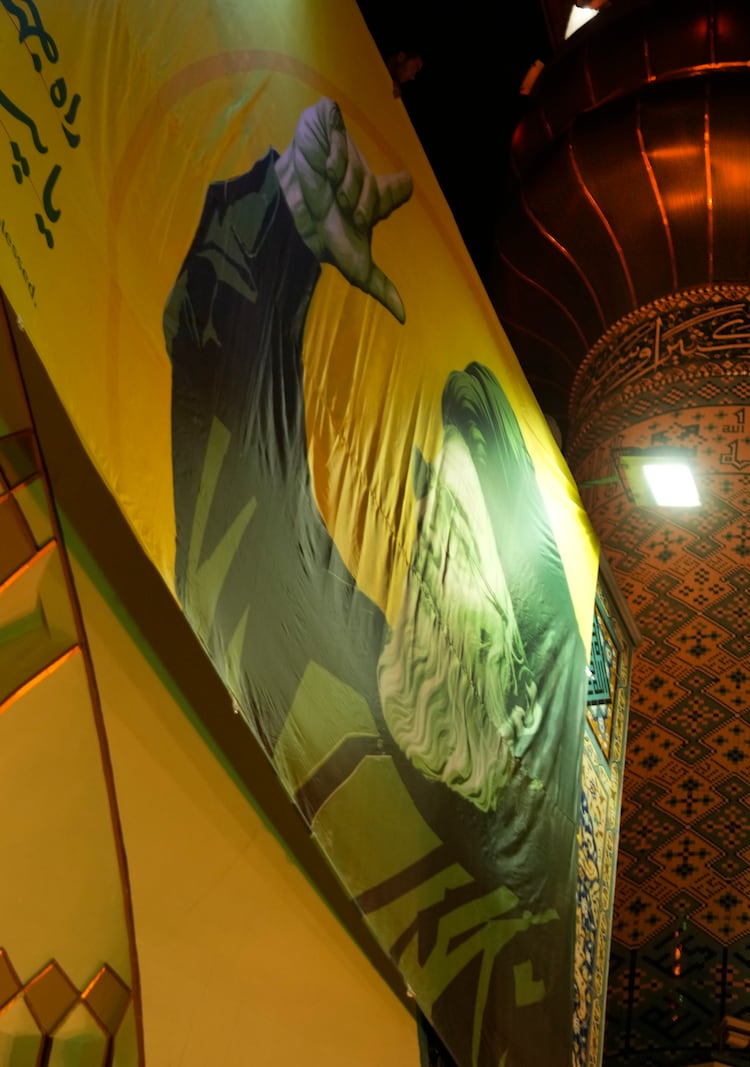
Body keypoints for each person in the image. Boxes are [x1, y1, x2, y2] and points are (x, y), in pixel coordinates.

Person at [163, 97, 585, 1066]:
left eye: (467, 557)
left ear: (523, 690)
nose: (434, 572)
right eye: (437, 522)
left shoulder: (531, 889)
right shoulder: (341, 700)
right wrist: (279, 227)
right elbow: (241, 492)